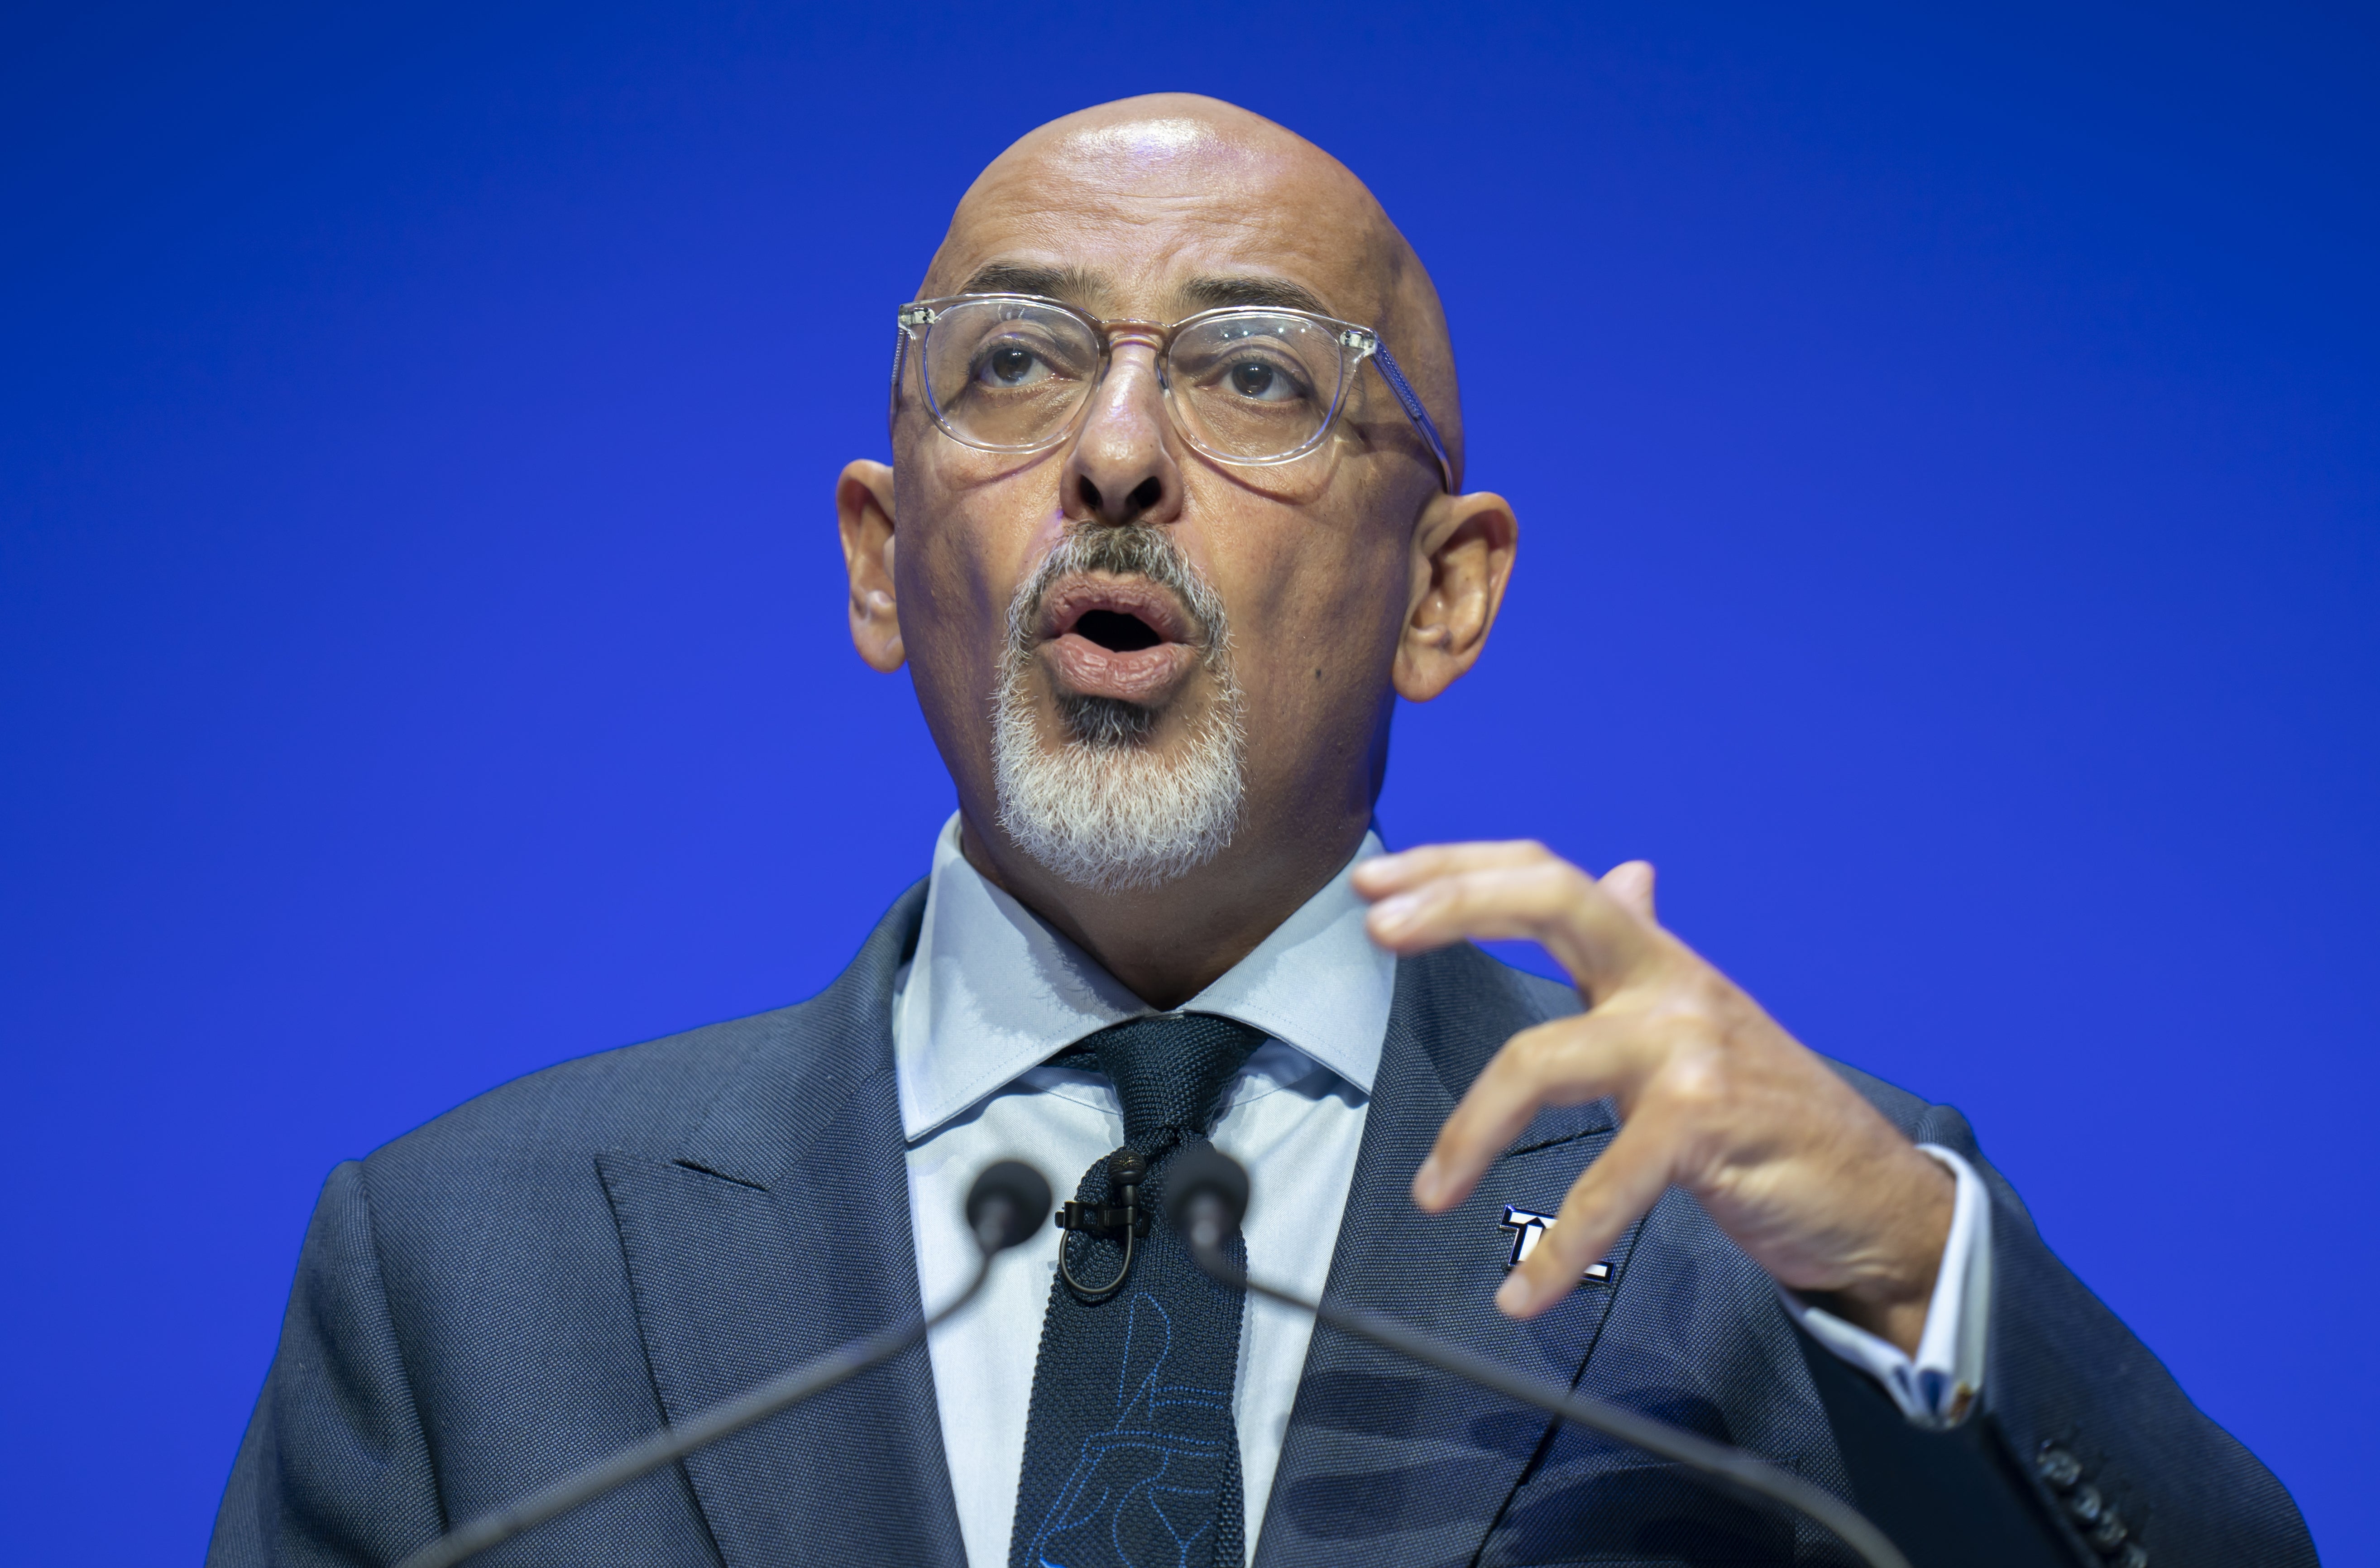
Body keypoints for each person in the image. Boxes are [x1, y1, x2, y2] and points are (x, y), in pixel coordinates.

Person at [207, 95, 2312, 1568]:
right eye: (1016, 366)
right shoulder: (463, 1268)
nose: (1116, 453)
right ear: (877, 558)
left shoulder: (1758, 1229)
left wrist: (1916, 1266)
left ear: (1443, 591)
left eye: (1255, 380)